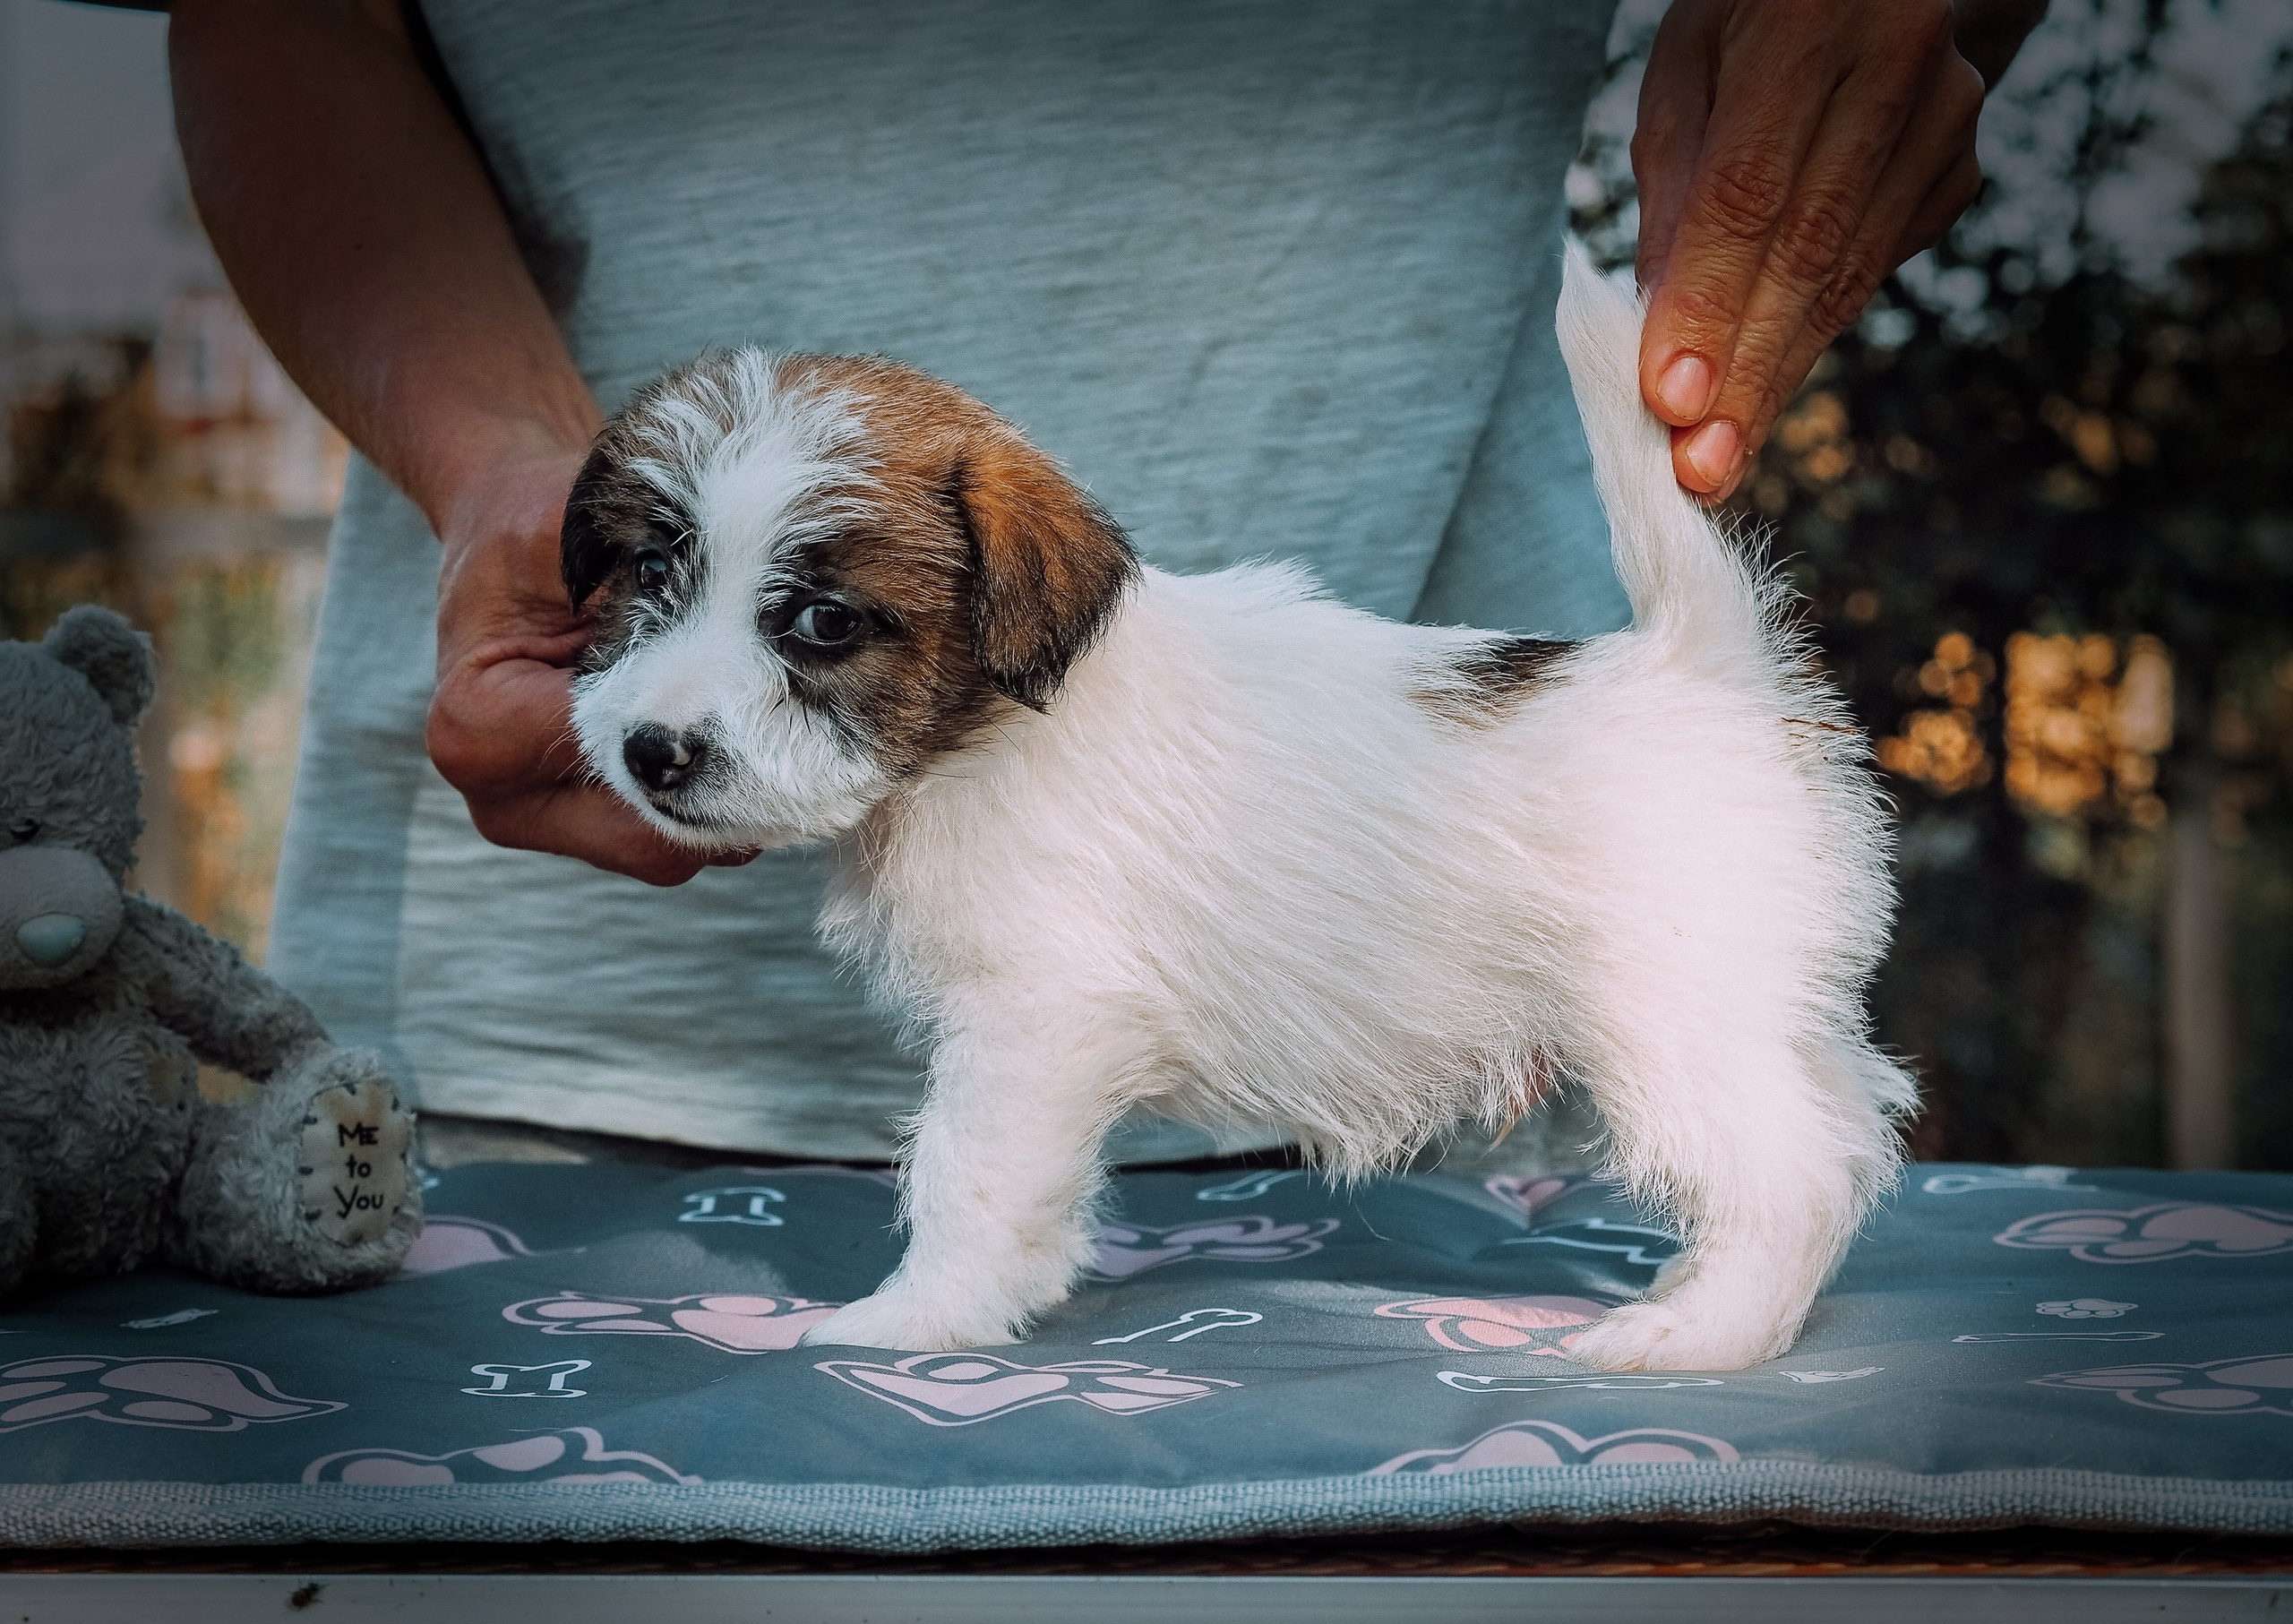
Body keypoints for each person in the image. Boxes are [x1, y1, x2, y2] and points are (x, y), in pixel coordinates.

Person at [170, 0, 2040, 1162]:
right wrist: (505, 458)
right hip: (542, 1028)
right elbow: (279, 16)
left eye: (817, 620)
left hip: (1428, 892)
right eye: (656, 580)